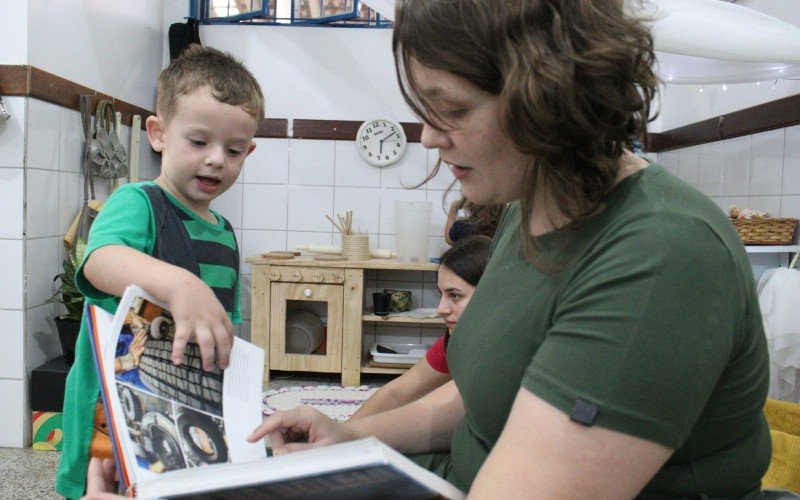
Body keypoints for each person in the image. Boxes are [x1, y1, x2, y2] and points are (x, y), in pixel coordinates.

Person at [250, 1, 771, 498]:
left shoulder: (661, 253)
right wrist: (351, 437)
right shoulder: (528, 207)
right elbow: (485, 401)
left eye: (452, 109)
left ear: (549, 98)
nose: (428, 138)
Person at [55, 45, 264, 499]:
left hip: (184, 401)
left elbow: (226, 322)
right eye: (198, 142)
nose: (215, 160)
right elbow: (100, 260)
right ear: (158, 133)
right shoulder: (139, 202)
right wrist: (179, 283)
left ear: (248, 151)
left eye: (232, 150)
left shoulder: (224, 231)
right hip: (112, 407)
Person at [350, 236, 491, 420]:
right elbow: (396, 394)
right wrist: (343, 432)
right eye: (441, 294)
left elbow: (430, 416)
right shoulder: (454, 342)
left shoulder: (506, 352)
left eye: (455, 296)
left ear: (491, 291)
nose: (441, 309)